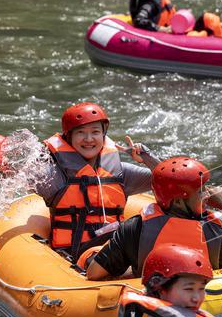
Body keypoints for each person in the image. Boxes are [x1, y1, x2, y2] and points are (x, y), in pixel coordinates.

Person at [86, 155, 222, 280]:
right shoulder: (212, 232)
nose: (207, 194)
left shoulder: (135, 227)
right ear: (179, 201)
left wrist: (132, 274)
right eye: (200, 191)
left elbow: (94, 272)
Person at [33, 103, 159, 261]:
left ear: (103, 135)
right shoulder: (55, 176)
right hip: (76, 256)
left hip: (115, 248)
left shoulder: (121, 173)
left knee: (147, 225)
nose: (88, 139)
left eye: (95, 132)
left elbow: (173, 181)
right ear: (68, 137)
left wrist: (148, 159)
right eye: (81, 133)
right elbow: (14, 174)